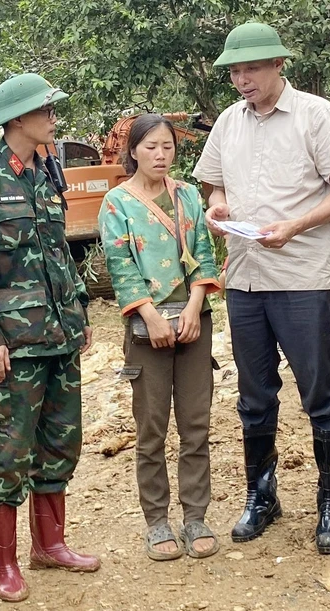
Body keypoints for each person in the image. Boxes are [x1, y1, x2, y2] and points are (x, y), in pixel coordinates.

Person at [193, 22, 330, 554]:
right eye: (235, 71)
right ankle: (261, 497)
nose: (241, 80)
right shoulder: (227, 121)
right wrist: (217, 205)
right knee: (254, 395)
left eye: (251, 69)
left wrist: (295, 226)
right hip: (244, 277)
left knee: (321, 394)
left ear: (278, 66)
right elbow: (214, 182)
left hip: (301, 278)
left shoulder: (315, 114)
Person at [0, 73, 100, 604]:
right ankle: (7, 565)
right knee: (9, 453)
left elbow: (61, 253)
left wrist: (79, 310)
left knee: (61, 442)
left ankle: (50, 544)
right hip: (13, 343)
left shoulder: (49, 167)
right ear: (16, 118)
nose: (54, 118)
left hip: (58, 334)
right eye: (45, 110)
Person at [99, 114, 222, 561]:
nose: (160, 154)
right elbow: (120, 265)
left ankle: (195, 516)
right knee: (151, 428)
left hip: (193, 322)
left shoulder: (187, 195)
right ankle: (156, 521)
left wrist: (193, 307)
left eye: (167, 146)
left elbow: (204, 255)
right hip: (144, 326)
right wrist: (149, 316)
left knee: (195, 425)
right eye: (150, 146)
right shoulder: (116, 202)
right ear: (133, 150)